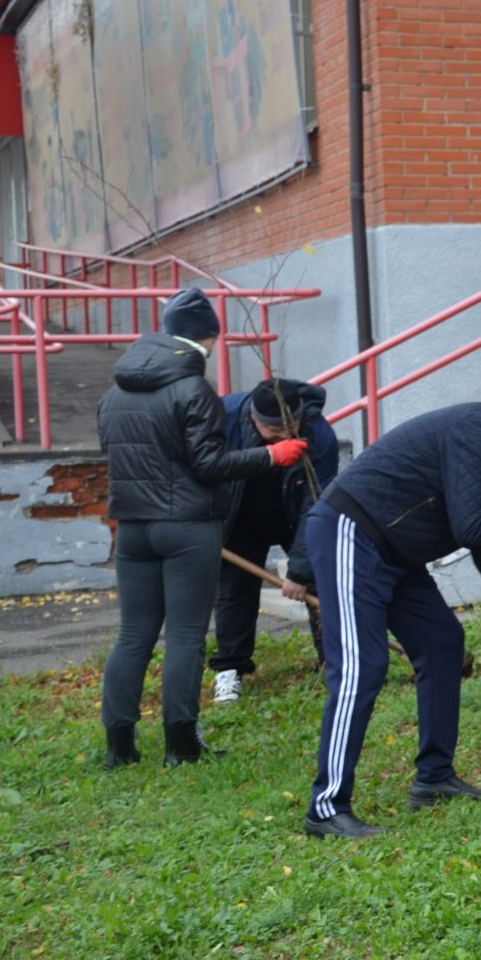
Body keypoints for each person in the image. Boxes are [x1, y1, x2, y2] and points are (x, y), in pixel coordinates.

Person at [301, 382, 481, 839]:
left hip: (397, 553)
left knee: (442, 643)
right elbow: (471, 526)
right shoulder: (479, 432)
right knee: (362, 666)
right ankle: (326, 806)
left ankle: (434, 778)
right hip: (352, 533)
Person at [97, 288, 309, 769]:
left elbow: (116, 456)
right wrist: (271, 455)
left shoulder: (114, 393)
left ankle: (120, 748)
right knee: (186, 636)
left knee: (133, 634)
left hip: (131, 529)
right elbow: (209, 463)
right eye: (214, 342)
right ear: (206, 339)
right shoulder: (194, 389)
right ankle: (180, 746)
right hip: (187, 527)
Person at [208, 377, 340, 702]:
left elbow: (316, 505)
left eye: (291, 427)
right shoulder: (223, 417)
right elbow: (204, 468)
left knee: (321, 580)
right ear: (254, 419)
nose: (286, 436)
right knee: (235, 591)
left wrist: (299, 570)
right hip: (242, 515)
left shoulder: (319, 434)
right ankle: (230, 670)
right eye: (275, 431)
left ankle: (335, 664)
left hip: (295, 516)